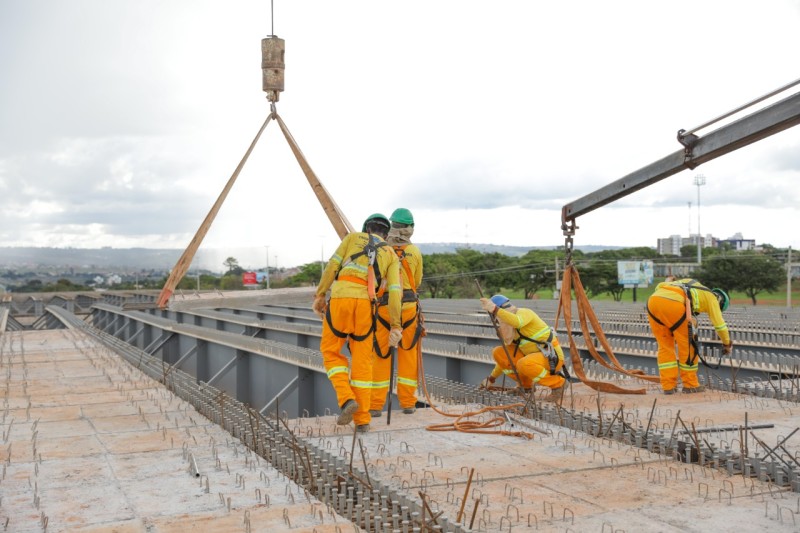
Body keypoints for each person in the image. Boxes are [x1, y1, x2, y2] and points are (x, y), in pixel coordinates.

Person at [312, 214, 402, 433]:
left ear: (366, 229)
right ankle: (362, 420)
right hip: (366, 308)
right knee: (363, 362)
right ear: (386, 235)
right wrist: (395, 325)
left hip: (341, 301)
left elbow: (332, 267)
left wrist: (320, 295)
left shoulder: (352, 238)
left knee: (331, 352)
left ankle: (346, 399)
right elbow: (395, 293)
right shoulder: (390, 254)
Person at [370, 208, 424, 417]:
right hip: (409, 307)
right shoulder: (415, 252)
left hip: (384, 307)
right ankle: (408, 403)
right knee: (408, 354)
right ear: (410, 228)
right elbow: (416, 282)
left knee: (381, 354)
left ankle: (375, 406)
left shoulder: (382, 249)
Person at [646, 278, 731, 394]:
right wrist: (727, 343)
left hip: (653, 301)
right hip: (673, 304)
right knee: (689, 346)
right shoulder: (712, 298)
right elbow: (720, 326)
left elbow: (661, 286)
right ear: (720, 301)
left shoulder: (691, 283)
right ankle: (690, 384)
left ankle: (668, 386)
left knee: (665, 346)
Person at [478, 295, 566, 401]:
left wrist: (495, 309)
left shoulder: (524, 313)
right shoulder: (512, 331)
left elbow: (517, 322)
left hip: (552, 358)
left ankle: (558, 384)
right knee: (499, 352)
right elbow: (506, 359)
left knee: (524, 363)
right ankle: (525, 386)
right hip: (534, 359)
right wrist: (491, 378)